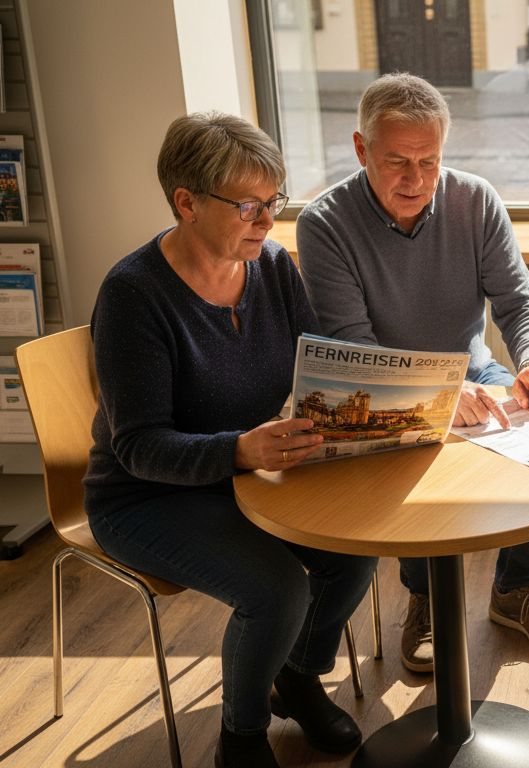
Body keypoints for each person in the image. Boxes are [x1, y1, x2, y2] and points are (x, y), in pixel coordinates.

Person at [83, 113, 377, 768]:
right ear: (186, 203)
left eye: (274, 202)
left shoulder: (270, 265)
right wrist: (241, 450)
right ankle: (239, 740)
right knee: (276, 589)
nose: (268, 222)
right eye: (248, 206)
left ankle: (296, 675)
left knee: (354, 549)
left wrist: (381, 404)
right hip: (142, 498)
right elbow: (138, 447)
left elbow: (314, 364)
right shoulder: (135, 295)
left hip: (246, 472)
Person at [297, 73, 529, 672]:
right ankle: (424, 601)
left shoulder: (475, 200)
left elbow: (519, 304)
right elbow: (355, 348)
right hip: (376, 382)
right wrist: (432, 400)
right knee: (413, 450)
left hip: (469, 361)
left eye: (429, 161)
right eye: (397, 161)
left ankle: (516, 590)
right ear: (360, 149)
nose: (416, 179)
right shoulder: (324, 223)